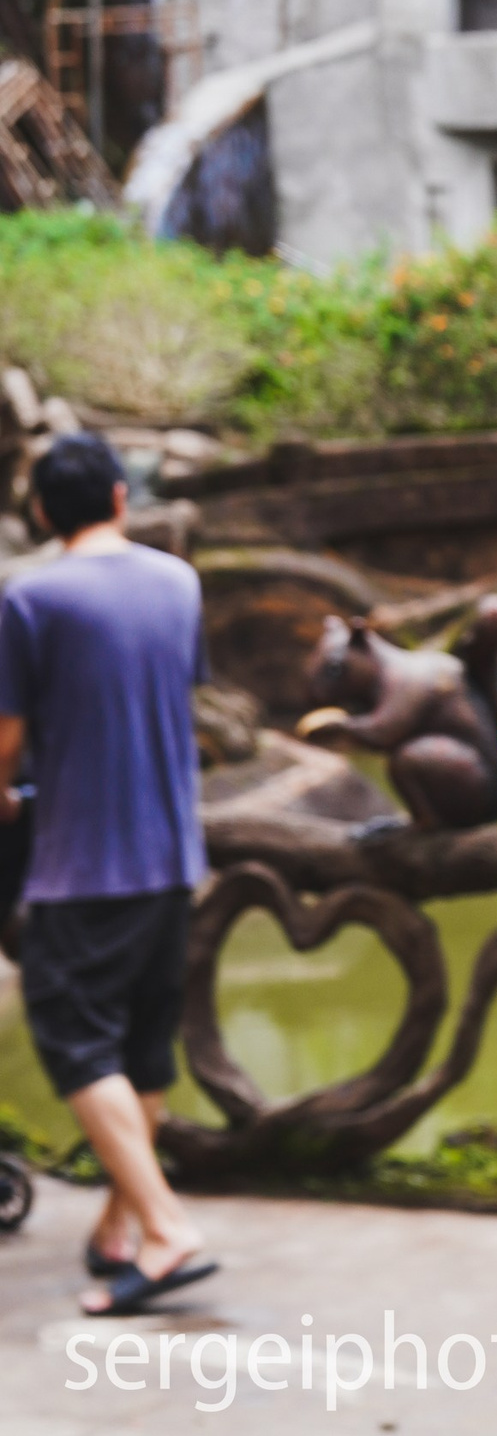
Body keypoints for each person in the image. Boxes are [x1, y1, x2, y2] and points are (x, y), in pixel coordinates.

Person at [0, 431, 218, 1318]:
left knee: (73, 1035)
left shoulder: (29, 594)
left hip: (80, 864)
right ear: (123, 499)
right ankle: (118, 1231)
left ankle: (163, 1228)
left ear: (44, 512)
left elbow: (7, 742)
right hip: (172, 856)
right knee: (141, 1044)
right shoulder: (179, 581)